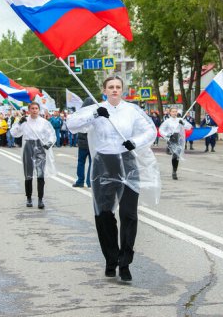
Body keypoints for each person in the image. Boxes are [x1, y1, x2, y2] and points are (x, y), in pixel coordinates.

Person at [67, 76, 159, 282]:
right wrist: (93, 114)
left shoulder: (132, 110)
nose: (115, 90)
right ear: (104, 90)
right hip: (104, 165)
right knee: (104, 215)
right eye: (111, 87)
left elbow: (150, 131)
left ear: (122, 90)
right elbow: (71, 124)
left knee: (129, 214)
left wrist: (134, 142)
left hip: (127, 163)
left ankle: (125, 261)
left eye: (118, 87)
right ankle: (111, 259)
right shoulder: (97, 109)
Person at [10, 102, 56, 209]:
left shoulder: (44, 122)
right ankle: (29, 198)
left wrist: (49, 143)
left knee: (40, 174)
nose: (34, 110)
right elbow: (13, 133)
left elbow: (51, 134)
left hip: (40, 147)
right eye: (32, 108)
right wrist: (19, 123)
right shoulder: (25, 122)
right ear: (29, 110)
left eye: (36, 108)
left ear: (39, 110)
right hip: (28, 147)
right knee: (28, 174)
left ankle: (40, 199)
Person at [159, 107, 192, 179]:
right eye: (173, 111)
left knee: (176, 156)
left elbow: (189, 127)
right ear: (170, 113)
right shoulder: (167, 121)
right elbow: (161, 130)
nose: (174, 113)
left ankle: (174, 171)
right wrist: (167, 135)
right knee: (173, 154)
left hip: (178, 138)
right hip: (171, 138)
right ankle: (174, 169)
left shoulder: (180, 120)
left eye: (175, 111)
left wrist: (183, 123)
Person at [72, 98, 94, 188]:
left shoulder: (80, 114)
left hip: (82, 142)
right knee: (92, 163)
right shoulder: (94, 114)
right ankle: (89, 182)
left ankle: (80, 181)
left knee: (81, 162)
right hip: (92, 142)